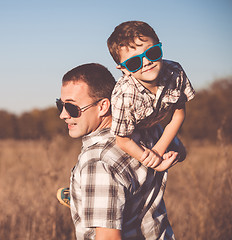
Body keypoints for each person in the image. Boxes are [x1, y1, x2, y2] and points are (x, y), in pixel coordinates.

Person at [56, 63, 178, 239]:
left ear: (103, 106)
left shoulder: (97, 164)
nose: (63, 115)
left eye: (72, 108)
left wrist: (98, 183)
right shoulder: (145, 128)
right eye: (60, 105)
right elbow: (180, 150)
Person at [106, 21, 195, 169]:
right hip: (127, 131)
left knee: (181, 154)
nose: (146, 62)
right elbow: (122, 140)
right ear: (124, 69)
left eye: (152, 53)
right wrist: (154, 162)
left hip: (153, 124)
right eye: (134, 62)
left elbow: (178, 114)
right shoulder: (125, 95)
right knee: (135, 168)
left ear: (160, 47)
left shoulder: (175, 72)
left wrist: (158, 150)